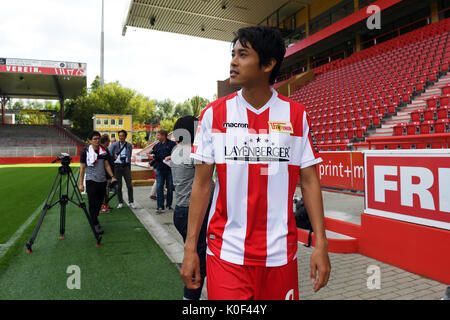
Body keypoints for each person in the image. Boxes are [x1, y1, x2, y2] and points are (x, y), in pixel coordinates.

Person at [180, 26, 331, 300]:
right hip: (226, 253)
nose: (233, 61)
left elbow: (309, 181)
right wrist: (190, 248)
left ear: (269, 64)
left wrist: (320, 244)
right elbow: (201, 185)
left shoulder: (296, 115)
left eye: (242, 54)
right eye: (233, 54)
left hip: (280, 255)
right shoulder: (214, 114)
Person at [171, 116, 212, 300]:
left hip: (181, 210)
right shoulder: (191, 152)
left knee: (198, 255)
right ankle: (191, 298)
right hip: (192, 212)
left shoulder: (177, 150)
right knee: (199, 261)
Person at [79, 131, 117, 235]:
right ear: (90, 140)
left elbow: (107, 165)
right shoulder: (85, 152)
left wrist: (112, 176)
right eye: (95, 139)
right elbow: (82, 168)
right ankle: (95, 223)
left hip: (102, 181)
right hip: (91, 181)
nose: (97, 140)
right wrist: (81, 184)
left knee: (100, 202)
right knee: (92, 203)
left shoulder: (103, 151)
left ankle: (94, 218)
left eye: (98, 139)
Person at [151, 129, 176, 214]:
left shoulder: (172, 144)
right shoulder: (156, 145)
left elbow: (176, 154)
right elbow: (154, 155)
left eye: (158, 135)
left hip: (169, 169)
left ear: (163, 135)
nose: (157, 137)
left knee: (169, 187)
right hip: (159, 169)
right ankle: (160, 206)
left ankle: (169, 205)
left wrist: (169, 156)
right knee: (159, 187)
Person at [109, 130, 135, 209]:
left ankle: (131, 202)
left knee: (129, 185)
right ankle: (120, 202)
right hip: (117, 166)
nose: (121, 137)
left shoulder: (129, 145)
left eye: (122, 136)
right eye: (119, 136)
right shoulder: (114, 145)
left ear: (125, 136)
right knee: (118, 186)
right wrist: (114, 156)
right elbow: (110, 154)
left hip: (126, 166)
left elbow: (129, 156)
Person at [99, 134, 115, 214]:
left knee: (106, 190)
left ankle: (105, 204)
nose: (109, 142)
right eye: (108, 140)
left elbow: (109, 159)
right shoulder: (102, 150)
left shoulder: (105, 149)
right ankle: (102, 206)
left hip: (107, 174)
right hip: (104, 174)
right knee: (104, 191)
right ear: (106, 141)